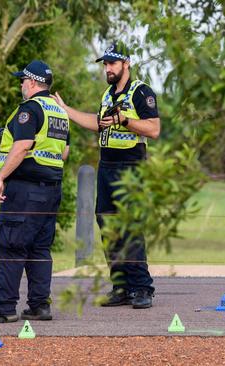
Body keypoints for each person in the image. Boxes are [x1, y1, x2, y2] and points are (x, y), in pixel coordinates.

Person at [52, 41, 160, 309]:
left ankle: (142, 287)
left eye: (112, 63)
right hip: (107, 166)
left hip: (131, 168)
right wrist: (67, 111)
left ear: (126, 64)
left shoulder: (140, 92)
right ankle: (121, 285)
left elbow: (154, 129)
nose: (107, 68)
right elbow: (97, 124)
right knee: (109, 229)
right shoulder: (107, 95)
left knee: (130, 228)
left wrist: (125, 120)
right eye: (105, 64)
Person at [0, 60, 70, 323]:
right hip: (51, 190)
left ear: (33, 82)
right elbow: (65, 151)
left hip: (25, 190)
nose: (21, 85)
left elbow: (23, 145)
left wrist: (0, 178)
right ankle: (39, 305)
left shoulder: (30, 109)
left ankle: (3, 308)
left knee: (11, 245)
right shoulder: (59, 112)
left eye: (22, 81)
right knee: (39, 249)